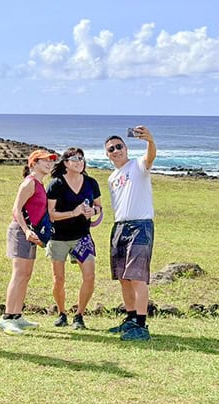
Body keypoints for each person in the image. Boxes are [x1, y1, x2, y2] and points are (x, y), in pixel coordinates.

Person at [104, 127, 157, 341]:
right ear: (107, 155)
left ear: (126, 148)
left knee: (137, 277)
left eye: (119, 146)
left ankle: (141, 326)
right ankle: (130, 319)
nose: (116, 150)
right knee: (123, 277)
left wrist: (149, 140)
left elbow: (150, 156)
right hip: (120, 227)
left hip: (140, 226)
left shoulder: (137, 165)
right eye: (111, 149)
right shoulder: (112, 178)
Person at [0, 149, 57, 335]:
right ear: (33, 163)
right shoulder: (29, 183)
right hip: (21, 231)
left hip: (31, 233)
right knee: (18, 275)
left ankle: (17, 315)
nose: (49, 164)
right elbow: (16, 209)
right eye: (44, 161)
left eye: (51, 161)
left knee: (26, 275)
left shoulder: (40, 183)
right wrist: (26, 231)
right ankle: (7, 317)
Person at [46, 148, 102, 330]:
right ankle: (62, 313)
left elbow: (99, 207)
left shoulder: (91, 183)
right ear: (65, 163)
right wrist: (74, 212)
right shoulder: (56, 184)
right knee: (58, 279)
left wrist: (92, 211)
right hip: (58, 238)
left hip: (82, 237)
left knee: (89, 276)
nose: (79, 162)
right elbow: (50, 215)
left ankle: (79, 315)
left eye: (82, 158)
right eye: (75, 159)